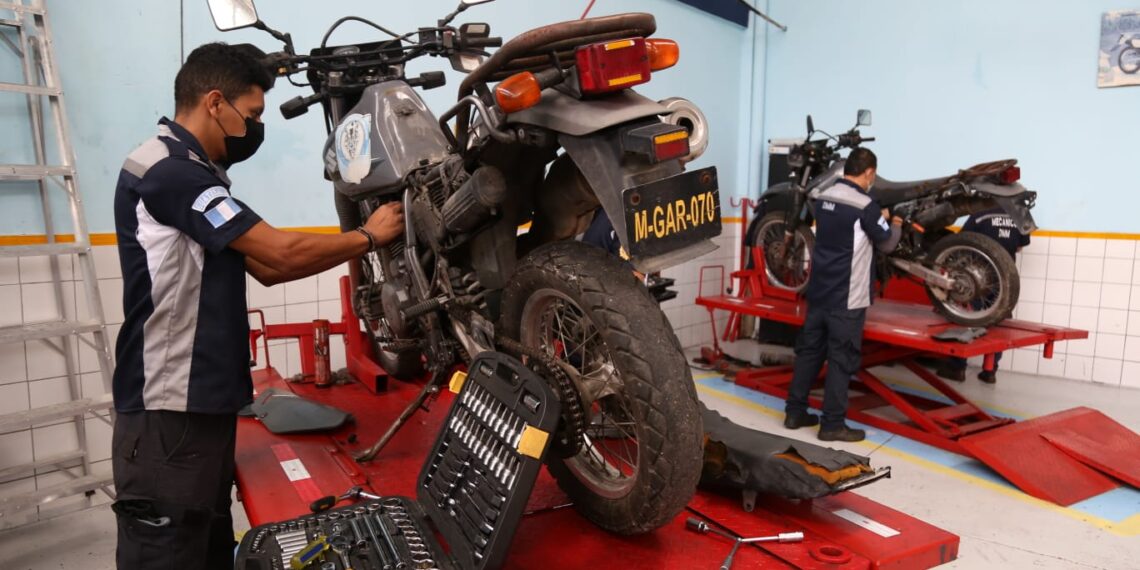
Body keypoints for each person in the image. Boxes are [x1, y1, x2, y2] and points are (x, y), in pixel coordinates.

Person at [110, 43, 404, 569]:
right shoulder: (169, 172)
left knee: (207, 547)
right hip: (168, 411)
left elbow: (269, 269)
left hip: (201, 405)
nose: (256, 127)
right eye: (253, 113)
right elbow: (279, 251)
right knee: (167, 555)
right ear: (214, 102)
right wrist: (368, 237)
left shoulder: (194, 171)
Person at [783, 148, 902, 442]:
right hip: (847, 298)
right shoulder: (866, 205)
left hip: (818, 292)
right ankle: (832, 424)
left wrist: (878, 216)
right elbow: (887, 244)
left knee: (809, 353)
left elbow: (848, 226)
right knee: (841, 359)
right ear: (869, 173)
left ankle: (794, 413)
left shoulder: (824, 198)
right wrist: (897, 223)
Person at [935, 207, 1031, 383]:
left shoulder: (980, 214)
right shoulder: (1020, 214)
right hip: (1005, 279)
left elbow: (963, 241)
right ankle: (990, 370)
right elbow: (1019, 247)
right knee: (999, 323)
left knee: (968, 320)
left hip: (979, 277)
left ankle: (956, 367)